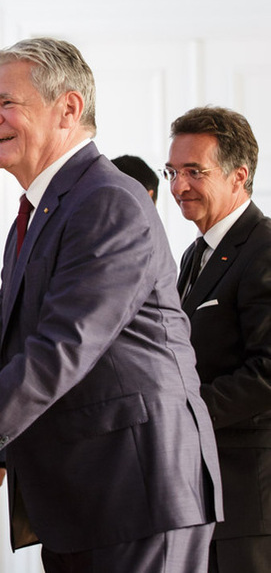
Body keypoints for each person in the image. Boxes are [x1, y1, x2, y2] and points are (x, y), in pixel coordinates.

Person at [0, 38, 222, 572]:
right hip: (86, 500)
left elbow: (59, 354)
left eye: (6, 103)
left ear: (68, 109)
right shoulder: (41, 211)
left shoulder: (107, 202)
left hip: (137, 492)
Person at [165, 106, 271, 572]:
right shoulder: (194, 254)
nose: (178, 186)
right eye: (173, 171)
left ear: (239, 176)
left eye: (194, 172)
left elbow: (267, 373)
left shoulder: (265, 247)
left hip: (251, 498)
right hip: (201, 495)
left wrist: (178, 419)